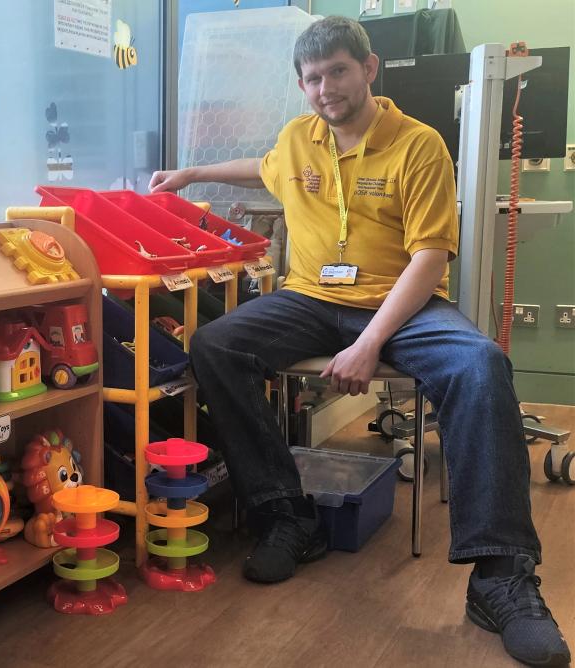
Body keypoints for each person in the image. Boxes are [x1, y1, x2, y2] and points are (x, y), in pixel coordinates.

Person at [150, 16, 569, 667]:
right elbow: (260, 168)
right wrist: (190, 171)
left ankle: (501, 577)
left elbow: (430, 255)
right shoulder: (297, 140)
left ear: (369, 69)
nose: (325, 88)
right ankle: (288, 516)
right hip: (310, 301)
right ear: (302, 85)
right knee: (215, 346)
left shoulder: (418, 144)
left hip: (402, 301)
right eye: (312, 78)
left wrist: (372, 341)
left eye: (338, 71)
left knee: (481, 365)